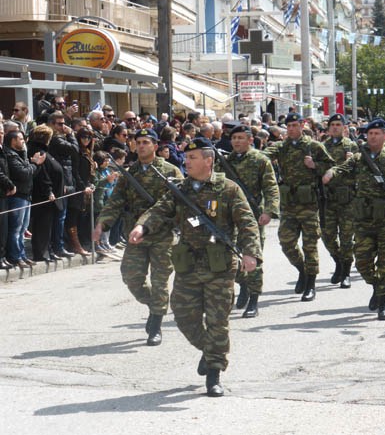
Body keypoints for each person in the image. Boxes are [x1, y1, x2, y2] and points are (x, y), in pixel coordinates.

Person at [129, 136, 262, 397]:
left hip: (219, 266)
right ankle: (210, 350)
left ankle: (214, 373)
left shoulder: (228, 189)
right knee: (182, 315)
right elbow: (159, 210)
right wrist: (142, 226)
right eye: (186, 158)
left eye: (192, 158)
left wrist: (250, 254)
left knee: (217, 321)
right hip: (188, 264)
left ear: (208, 160)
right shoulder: (181, 189)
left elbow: (247, 223)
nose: (186, 162)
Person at [94, 129, 184, 346]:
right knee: (131, 277)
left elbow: (176, 204)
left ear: (155, 145)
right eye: (138, 142)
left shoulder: (170, 171)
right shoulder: (130, 173)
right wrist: (101, 224)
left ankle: (155, 324)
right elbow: (116, 201)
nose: (141, 145)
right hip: (136, 235)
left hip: (162, 235)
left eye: (146, 142)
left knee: (159, 281)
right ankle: (156, 305)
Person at [323, 119, 385, 320]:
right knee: (362, 262)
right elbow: (343, 169)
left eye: (377, 133)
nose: (372, 136)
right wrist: (332, 172)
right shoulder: (358, 158)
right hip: (363, 218)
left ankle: (383, 300)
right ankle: (377, 285)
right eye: (370, 133)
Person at [263, 113, 334, 301]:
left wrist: (314, 166)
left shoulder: (313, 146)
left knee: (310, 245)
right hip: (289, 204)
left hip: (309, 203)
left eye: (295, 125)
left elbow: (331, 168)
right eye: (289, 126)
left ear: (302, 125)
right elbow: (262, 157)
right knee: (286, 242)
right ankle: (302, 269)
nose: (292, 128)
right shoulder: (281, 147)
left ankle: (310, 283)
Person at [216, 125, 279, 317]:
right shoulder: (225, 162)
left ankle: (254, 299)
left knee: (253, 257)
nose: (236, 141)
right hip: (227, 217)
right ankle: (242, 283)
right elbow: (214, 188)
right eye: (234, 138)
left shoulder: (260, 160)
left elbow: (271, 188)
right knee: (227, 257)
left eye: (241, 138)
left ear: (250, 140)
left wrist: (269, 211)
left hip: (252, 216)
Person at [321, 113, 357, 289]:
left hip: (347, 199)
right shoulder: (322, 147)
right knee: (327, 235)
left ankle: (347, 272)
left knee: (346, 237)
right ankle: (338, 262)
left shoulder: (352, 146)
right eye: (332, 124)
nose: (335, 127)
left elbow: (362, 170)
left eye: (338, 124)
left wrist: (353, 162)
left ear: (344, 127)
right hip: (328, 198)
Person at [4, 129, 46, 267]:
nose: (23, 141)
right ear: (13, 141)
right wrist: (35, 164)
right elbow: (24, 173)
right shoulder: (10, 155)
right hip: (17, 197)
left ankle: (21, 254)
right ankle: (15, 257)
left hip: (26, 195)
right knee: (16, 229)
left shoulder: (21, 154)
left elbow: (30, 173)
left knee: (23, 229)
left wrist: (34, 164)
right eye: (20, 139)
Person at [27, 125, 65, 262]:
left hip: (51, 195)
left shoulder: (42, 150)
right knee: (42, 225)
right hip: (43, 195)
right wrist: (49, 191)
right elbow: (43, 175)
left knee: (47, 225)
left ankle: (48, 250)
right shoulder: (37, 151)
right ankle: (41, 253)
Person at [47, 111, 78, 259]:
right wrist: (71, 135)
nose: (63, 126)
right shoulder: (55, 139)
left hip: (65, 180)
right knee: (59, 217)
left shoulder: (59, 137)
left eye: (64, 123)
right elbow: (74, 150)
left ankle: (59, 245)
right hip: (60, 183)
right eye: (60, 124)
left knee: (62, 216)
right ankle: (57, 247)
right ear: (51, 124)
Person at [67, 127, 96, 256]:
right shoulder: (77, 151)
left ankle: (83, 242)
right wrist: (82, 186)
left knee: (82, 216)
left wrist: (89, 184)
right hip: (77, 188)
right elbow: (75, 171)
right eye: (83, 137)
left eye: (89, 137)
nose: (86, 140)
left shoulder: (88, 151)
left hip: (86, 187)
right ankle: (75, 245)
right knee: (73, 216)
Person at [0, 123, 17, 269]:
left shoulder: (3, 149)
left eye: (1, 133)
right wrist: (10, 185)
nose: (0, 136)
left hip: (4, 194)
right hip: (2, 191)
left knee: (4, 227)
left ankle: (2, 255)